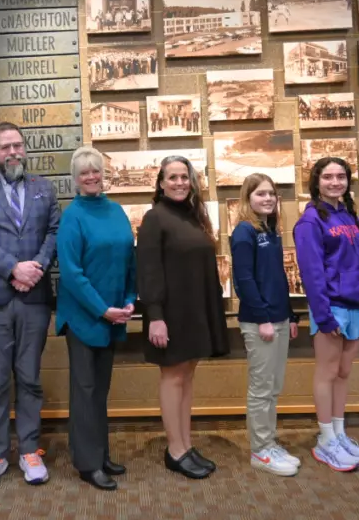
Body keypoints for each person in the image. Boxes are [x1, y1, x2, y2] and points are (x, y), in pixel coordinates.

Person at [0, 122, 61, 490]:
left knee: (31, 379)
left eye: (18, 145)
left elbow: (53, 233)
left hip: (33, 298)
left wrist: (33, 269)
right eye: (5, 147)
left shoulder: (43, 189)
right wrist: (12, 268)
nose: (13, 152)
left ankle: (30, 450)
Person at [136, 156, 228, 480]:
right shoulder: (154, 218)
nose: (179, 183)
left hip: (194, 312)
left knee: (187, 377)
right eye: (172, 177)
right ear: (161, 183)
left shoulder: (192, 217)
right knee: (173, 378)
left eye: (184, 177)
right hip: (169, 315)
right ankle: (174, 450)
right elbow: (148, 272)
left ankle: (185, 444)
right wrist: (156, 317)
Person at [56, 147, 135, 491]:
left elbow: (129, 259)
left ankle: (100, 454)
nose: (91, 177)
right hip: (84, 317)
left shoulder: (117, 211)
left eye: (96, 171)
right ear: (75, 179)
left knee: (100, 390)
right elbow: (71, 274)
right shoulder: (72, 216)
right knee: (85, 390)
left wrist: (130, 301)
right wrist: (102, 309)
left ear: (103, 174)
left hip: (114, 315)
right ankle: (88, 464)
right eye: (84, 173)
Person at [294, 157, 359, 473]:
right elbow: (312, 274)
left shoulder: (349, 216)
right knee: (327, 372)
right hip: (333, 308)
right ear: (317, 182)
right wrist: (324, 316)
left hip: (357, 304)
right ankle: (326, 440)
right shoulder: (310, 221)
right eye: (327, 177)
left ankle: (340, 435)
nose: (334, 182)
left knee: (343, 372)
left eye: (340, 176)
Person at [230, 174, 300, 477]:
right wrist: (263, 318)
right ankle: (260, 451)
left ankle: (269, 442)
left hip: (279, 317)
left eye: (272, 193)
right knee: (261, 390)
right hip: (261, 322)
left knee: (273, 388)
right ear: (248, 199)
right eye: (260, 194)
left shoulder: (271, 231)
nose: (268, 199)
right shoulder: (244, 231)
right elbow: (243, 280)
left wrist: (291, 315)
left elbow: (277, 279)